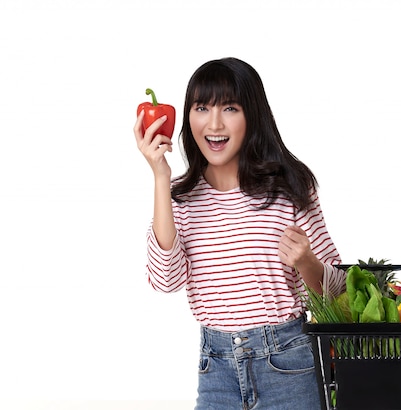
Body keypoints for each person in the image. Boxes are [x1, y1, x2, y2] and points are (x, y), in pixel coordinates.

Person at [134, 57, 346, 409]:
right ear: (188, 116)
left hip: (288, 365)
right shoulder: (180, 199)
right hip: (215, 368)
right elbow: (165, 280)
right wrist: (160, 177)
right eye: (202, 107)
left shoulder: (289, 187)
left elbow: (339, 288)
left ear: (252, 116)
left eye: (229, 107)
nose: (214, 123)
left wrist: (307, 262)